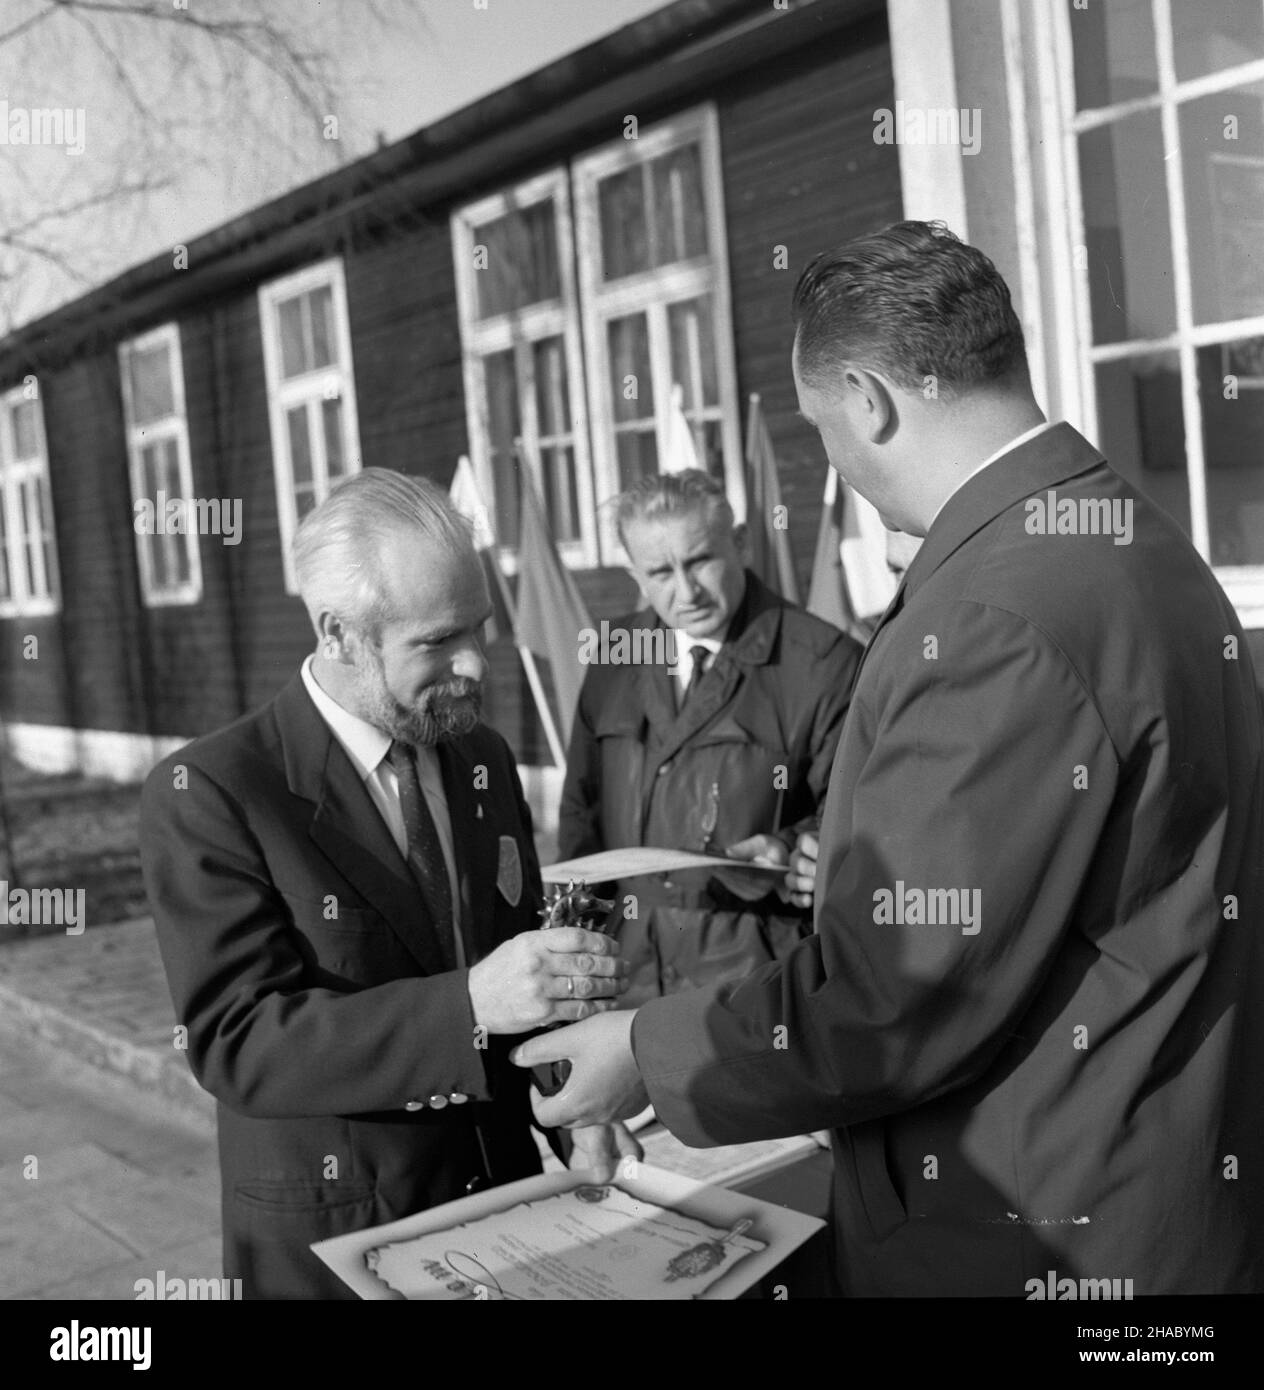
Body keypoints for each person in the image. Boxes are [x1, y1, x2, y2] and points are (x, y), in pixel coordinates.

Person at [514, 221, 1264, 1296]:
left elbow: (897, 993)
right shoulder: (1130, 538)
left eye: (823, 430)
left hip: (1031, 1229)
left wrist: (649, 1047)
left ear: (865, 399)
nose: (838, 466)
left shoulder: (993, 617)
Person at [140, 469, 633, 1299]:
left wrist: (571, 1107)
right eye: (439, 641)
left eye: (480, 626)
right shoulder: (213, 792)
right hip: (341, 1240)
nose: (476, 663)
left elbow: (520, 986)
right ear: (339, 633)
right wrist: (471, 1003)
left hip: (510, 1214)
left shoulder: (483, 759)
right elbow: (238, 1042)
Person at [559, 469, 862, 1006]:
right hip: (627, 975)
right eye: (660, 571)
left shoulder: (823, 663)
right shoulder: (613, 652)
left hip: (754, 982)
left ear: (741, 542)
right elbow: (581, 816)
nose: (686, 591)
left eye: (700, 561)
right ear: (634, 573)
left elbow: (858, 813)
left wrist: (790, 846)